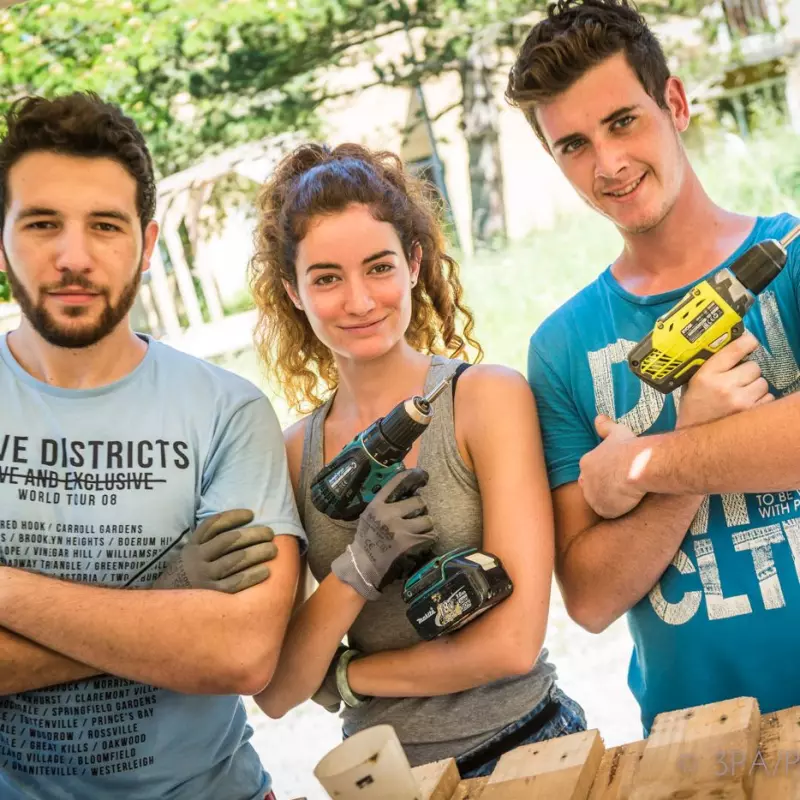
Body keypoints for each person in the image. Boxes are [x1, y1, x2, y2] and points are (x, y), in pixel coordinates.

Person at [505, 0, 800, 735]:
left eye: (622, 121)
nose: (607, 164)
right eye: (572, 144)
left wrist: (639, 467)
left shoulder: (791, 257)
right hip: (696, 742)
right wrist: (692, 440)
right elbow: (594, 596)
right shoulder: (561, 346)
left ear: (674, 102)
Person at [0, 93, 305, 800]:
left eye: (105, 226)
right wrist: (167, 597)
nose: (73, 257)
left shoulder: (227, 411)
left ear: (148, 240)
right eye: (42, 223)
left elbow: (241, 653)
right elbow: (199, 640)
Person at [247, 142, 586, 777]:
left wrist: (349, 675)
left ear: (414, 263)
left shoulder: (484, 399)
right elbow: (278, 688)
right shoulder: (295, 453)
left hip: (530, 749)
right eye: (326, 278)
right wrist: (357, 567)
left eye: (379, 267)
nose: (358, 300)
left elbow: (513, 646)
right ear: (293, 290)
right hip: (385, 779)